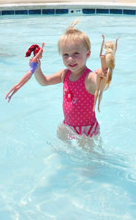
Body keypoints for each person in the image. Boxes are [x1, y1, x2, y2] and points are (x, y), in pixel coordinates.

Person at [33, 21, 100, 149]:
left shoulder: (89, 77)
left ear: (88, 54)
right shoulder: (65, 74)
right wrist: (37, 70)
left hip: (86, 130)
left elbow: (102, 86)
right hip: (68, 125)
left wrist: (102, 78)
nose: (70, 58)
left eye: (76, 53)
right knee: (60, 132)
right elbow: (44, 82)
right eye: (66, 55)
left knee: (88, 160)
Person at [93, 35, 119, 112]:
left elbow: (101, 50)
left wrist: (103, 40)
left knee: (97, 90)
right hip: (105, 74)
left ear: (105, 48)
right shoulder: (111, 57)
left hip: (100, 72)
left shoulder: (101, 56)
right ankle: (98, 107)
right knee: (101, 91)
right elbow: (115, 50)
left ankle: (94, 106)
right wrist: (116, 41)